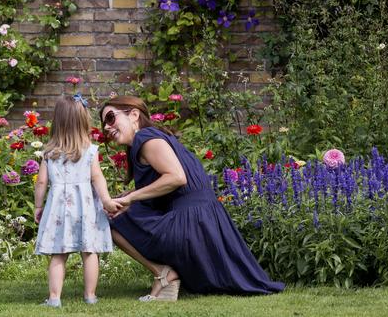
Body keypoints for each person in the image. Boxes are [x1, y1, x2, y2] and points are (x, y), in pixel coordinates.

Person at [99, 95, 285, 301]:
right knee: (116, 209)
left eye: (110, 118)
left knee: (109, 218)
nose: (106, 127)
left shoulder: (146, 139)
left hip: (190, 224)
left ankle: (164, 274)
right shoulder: (152, 137)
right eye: (103, 123)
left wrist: (131, 198)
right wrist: (127, 197)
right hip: (207, 222)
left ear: (134, 115)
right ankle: (173, 274)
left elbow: (176, 177)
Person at [34, 94, 121, 307]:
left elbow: (41, 183)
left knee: (58, 254)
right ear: (83, 122)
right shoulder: (90, 152)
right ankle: (90, 295)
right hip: (87, 208)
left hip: (57, 209)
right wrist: (106, 199)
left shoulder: (49, 153)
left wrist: (38, 206)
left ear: (57, 123)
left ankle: (54, 298)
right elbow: (97, 177)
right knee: (89, 252)